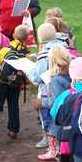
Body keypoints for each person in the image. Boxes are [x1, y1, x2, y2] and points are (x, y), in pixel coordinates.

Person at [0, 24, 30, 140]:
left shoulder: (4, 50)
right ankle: (13, 130)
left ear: (13, 35)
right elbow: (26, 70)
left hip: (1, 82)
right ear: (26, 38)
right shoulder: (25, 53)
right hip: (15, 84)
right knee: (13, 105)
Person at [28, 22, 66, 155]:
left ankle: (51, 146)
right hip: (64, 89)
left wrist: (29, 70)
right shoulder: (63, 47)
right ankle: (59, 145)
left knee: (48, 118)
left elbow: (36, 77)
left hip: (47, 91)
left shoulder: (45, 55)